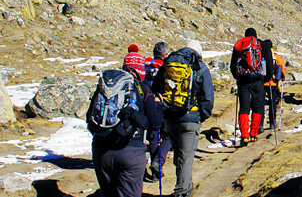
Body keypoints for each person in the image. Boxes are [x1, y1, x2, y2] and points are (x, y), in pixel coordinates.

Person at [88, 44, 162, 197]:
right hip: (130, 151)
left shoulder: (105, 87)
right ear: (139, 69)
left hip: (101, 150)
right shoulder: (142, 89)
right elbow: (155, 123)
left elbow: (90, 117)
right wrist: (158, 106)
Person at [153, 40, 214, 197]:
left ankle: (186, 187)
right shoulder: (199, 67)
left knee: (179, 154)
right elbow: (207, 96)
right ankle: (181, 192)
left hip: (169, 117)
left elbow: (156, 87)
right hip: (190, 118)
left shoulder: (169, 63)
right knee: (186, 157)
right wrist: (202, 116)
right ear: (198, 53)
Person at [231, 28, 273, 146]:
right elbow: (269, 64)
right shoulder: (263, 45)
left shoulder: (240, 44)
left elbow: (233, 64)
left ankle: (244, 135)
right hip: (258, 80)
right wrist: (267, 77)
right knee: (257, 106)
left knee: (244, 108)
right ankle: (253, 133)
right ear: (256, 35)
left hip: (243, 81)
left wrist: (237, 77)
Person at [144, 41, 172, 183]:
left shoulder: (146, 66)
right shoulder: (166, 67)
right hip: (163, 103)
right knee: (168, 136)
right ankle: (158, 162)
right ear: (165, 54)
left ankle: (155, 170)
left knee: (154, 134)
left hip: (147, 105)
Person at [262, 41, 285, 132]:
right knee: (272, 103)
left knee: (260, 104)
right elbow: (281, 68)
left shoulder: (261, 55)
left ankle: (260, 124)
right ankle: (272, 122)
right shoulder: (276, 56)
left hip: (262, 83)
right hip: (273, 83)